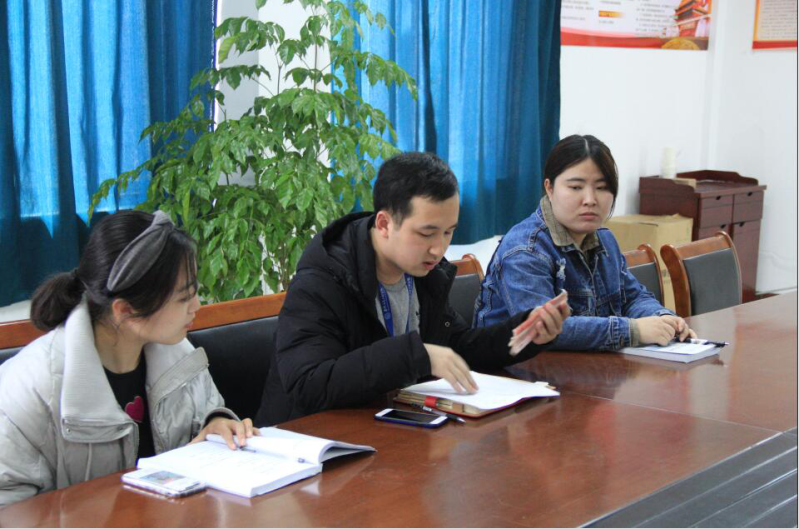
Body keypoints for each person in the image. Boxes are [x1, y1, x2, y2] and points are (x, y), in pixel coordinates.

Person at [256, 152, 570, 426]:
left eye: (448, 232)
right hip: (309, 446)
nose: (439, 249)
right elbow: (310, 385)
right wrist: (414, 355)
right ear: (384, 224)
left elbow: (457, 347)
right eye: (426, 233)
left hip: (388, 432)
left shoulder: (423, 271)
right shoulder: (323, 280)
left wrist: (526, 333)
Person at [0, 211, 257, 507]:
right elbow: (9, 508)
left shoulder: (180, 355)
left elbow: (205, 418)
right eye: (184, 297)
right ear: (125, 310)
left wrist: (216, 424)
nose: (197, 305)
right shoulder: (28, 390)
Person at [474, 134, 696, 350]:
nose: (590, 200)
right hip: (517, 370)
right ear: (550, 188)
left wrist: (662, 318)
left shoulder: (605, 239)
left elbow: (632, 297)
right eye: (576, 187)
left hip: (587, 366)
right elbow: (541, 329)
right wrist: (632, 330)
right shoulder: (525, 249)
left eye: (601, 188)